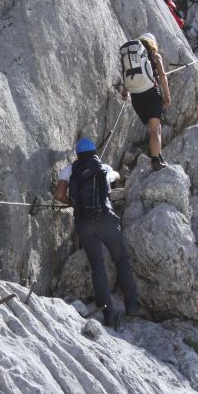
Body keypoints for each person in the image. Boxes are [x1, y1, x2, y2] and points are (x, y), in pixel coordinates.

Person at [54, 138, 144, 328]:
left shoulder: (69, 170)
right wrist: (112, 175)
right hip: (105, 220)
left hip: (84, 223)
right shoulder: (103, 168)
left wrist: (73, 203)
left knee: (98, 267)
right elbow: (118, 177)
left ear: (77, 155)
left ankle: (108, 314)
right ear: (94, 152)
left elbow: (59, 195)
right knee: (121, 259)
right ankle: (132, 306)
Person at [120, 32, 171, 172]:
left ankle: (158, 156)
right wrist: (167, 95)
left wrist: (125, 93)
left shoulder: (132, 58)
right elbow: (162, 76)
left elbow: (127, 76)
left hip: (136, 97)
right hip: (151, 94)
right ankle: (155, 160)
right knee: (155, 129)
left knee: (156, 127)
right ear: (152, 43)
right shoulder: (155, 56)